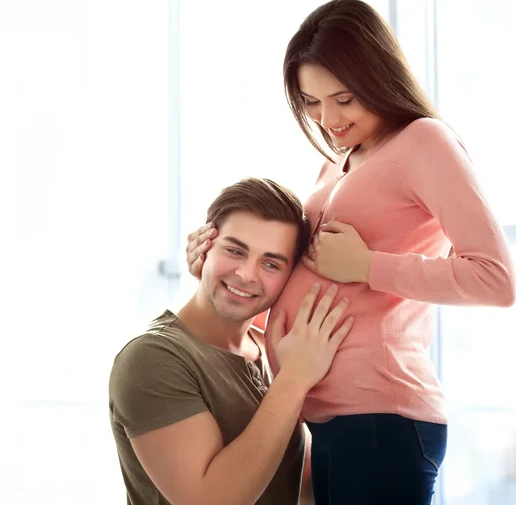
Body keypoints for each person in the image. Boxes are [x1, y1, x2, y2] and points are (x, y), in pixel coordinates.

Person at [186, 0, 516, 505]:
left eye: (343, 99)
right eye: (311, 102)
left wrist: (368, 266)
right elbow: (318, 292)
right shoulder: (340, 163)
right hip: (329, 419)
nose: (327, 118)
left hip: (381, 416)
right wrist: (217, 274)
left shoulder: (424, 142)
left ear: (378, 79)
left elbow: (495, 279)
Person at [109, 177, 355, 505]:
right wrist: (295, 381)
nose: (246, 274)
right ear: (205, 243)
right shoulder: (152, 358)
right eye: (235, 250)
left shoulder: (275, 351)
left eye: (270, 263)